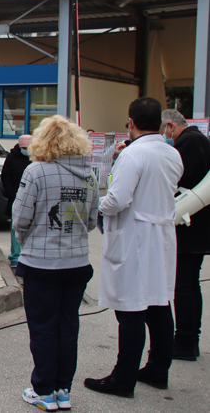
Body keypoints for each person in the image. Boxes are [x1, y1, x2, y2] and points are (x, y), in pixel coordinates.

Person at [84, 97, 184, 398]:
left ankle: (122, 378)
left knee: (130, 310)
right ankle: (157, 369)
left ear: (131, 121)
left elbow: (117, 200)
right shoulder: (171, 153)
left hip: (135, 237)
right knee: (158, 305)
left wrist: (94, 204)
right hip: (161, 234)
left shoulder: (134, 154)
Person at [11, 116, 98, 411]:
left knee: (43, 327)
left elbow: (21, 218)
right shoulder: (89, 174)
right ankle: (63, 389)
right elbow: (92, 219)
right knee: (67, 325)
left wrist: (29, 241)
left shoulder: (36, 171)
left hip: (41, 263)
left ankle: (44, 390)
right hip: (77, 262)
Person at [161, 109, 210, 361]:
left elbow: (178, 178)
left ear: (171, 125)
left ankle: (185, 340)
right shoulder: (199, 139)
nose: (165, 136)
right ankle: (190, 339)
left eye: (165, 131)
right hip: (199, 227)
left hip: (190, 226)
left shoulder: (189, 142)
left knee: (183, 285)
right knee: (190, 284)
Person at [1, 134, 32, 268]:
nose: (25, 149)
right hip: (16, 197)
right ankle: (16, 255)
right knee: (16, 227)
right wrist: (11, 192)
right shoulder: (12, 157)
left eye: (28, 147)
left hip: (32, 198)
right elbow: (6, 176)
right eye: (23, 147)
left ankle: (28, 254)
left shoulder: (36, 159)